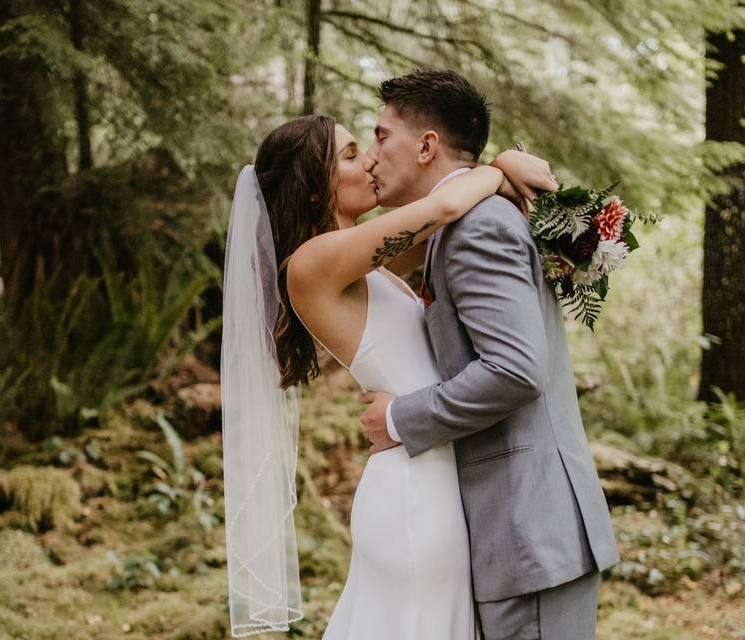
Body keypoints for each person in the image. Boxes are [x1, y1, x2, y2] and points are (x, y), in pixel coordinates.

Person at [221, 106, 556, 637]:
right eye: (352, 155)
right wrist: (501, 163)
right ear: (313, 188)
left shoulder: (363, 261)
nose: (372, 162)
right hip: (413, 494)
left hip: (432, 469)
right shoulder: (312, 264)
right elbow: (445, 203)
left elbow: (445, 223)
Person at [357, 69, 621, 640]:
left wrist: (400, 418)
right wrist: (498, 167)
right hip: (510, 535)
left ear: (427, 145)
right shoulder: (460, 221)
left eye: (381, 137)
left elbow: (514, 369)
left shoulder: (477, 225)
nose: (372, 156)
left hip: (529, 532)